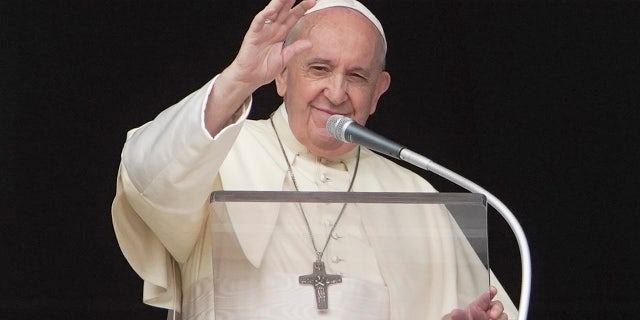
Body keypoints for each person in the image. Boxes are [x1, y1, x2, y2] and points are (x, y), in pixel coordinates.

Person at [111, 0, 518, 319]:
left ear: (379, 91)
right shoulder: (216, 150)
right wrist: (237, 80)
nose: (337, 93)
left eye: (357, 76)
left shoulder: (414, 194)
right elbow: (145, 178)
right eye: (319, 69)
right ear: (283, 75)